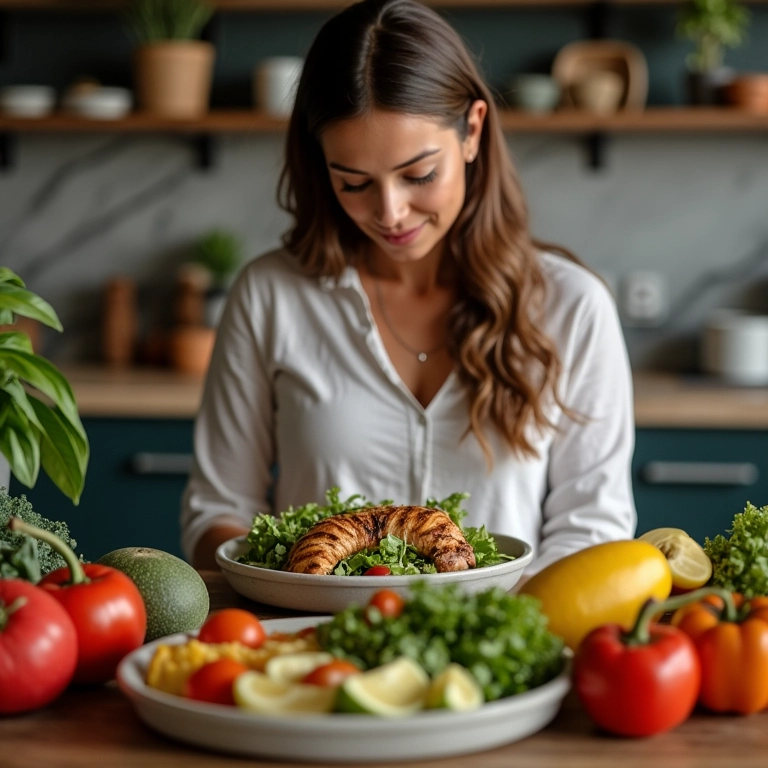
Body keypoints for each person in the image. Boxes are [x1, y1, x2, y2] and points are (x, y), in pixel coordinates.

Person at [181, 0, 636, 572]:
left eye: (419, 175)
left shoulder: (573, 307)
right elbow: (217, 510)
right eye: (354, 183)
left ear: (472, 131)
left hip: (493, 646)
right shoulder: (270, 295)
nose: (390, 212)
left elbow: (592, 528)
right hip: (312, 645)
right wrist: (283, 585)